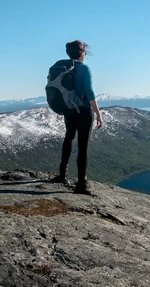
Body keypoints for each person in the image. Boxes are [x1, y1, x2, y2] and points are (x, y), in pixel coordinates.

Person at [54, 40, 103, 195]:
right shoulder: (83, 68)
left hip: (69, 110)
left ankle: (62, 174)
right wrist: (98, 113)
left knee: (68, 138)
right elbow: (89, 92)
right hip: (83, 110)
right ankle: (81, 184)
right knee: (83, 146)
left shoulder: (63, 67)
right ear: (82, 53)